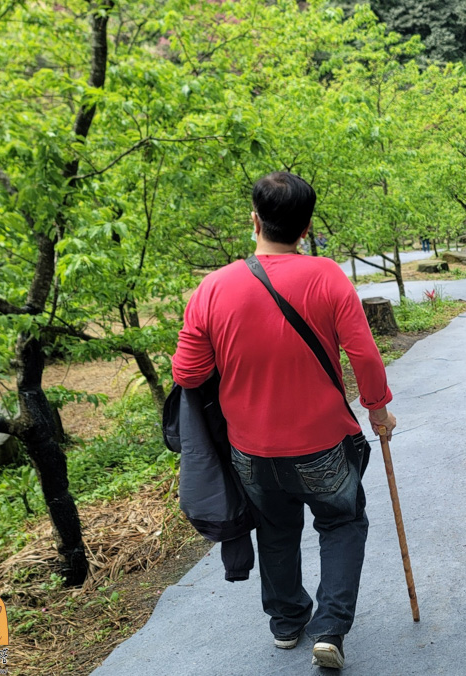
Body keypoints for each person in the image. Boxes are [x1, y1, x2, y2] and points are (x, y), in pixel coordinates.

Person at [172, 171, 397, 670]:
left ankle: (286, 621)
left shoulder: (213, 288)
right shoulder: (327, 277)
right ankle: (331, 628)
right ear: (307, 226)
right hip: (322, 445)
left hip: (251, 449)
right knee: (341, 522)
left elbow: (187, 371)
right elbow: (363, 352)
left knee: (275, 529)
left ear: (254, 219)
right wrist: (377, 408)